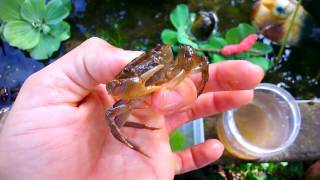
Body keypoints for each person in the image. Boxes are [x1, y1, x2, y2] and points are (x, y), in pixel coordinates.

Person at [0, 37, 264, 180]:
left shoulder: (169, 59)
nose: (149, 62)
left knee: (197, 56)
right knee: (113, 117)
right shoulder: (124, 80)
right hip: (133, 93)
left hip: (162, 82)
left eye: (157, 55)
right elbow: (113, 100)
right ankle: (133, 140)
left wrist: (199, 84)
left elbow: (197, 59)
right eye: (136, 66)